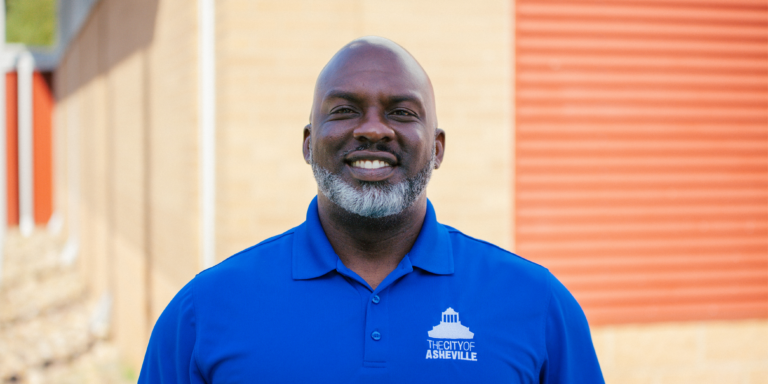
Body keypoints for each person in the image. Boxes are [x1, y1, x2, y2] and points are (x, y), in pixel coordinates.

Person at [138, 36, 604, 384]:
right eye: (344, 110)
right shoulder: (205, 311)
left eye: (402, 112)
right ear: (308, 143)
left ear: (438, 149)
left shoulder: (537, 304)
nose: (374, 130)